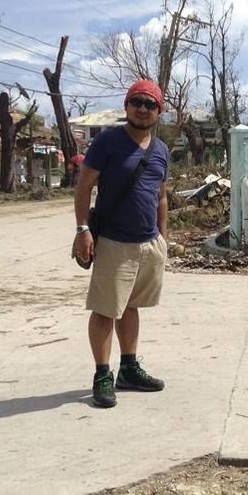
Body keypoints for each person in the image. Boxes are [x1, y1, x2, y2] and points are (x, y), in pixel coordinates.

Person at [73, 80, 170, 408]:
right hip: (114, 242)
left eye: (150, 104)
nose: (143, 109)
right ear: (127, 106)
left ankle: (128, 368)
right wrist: (82, 229)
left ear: (160, 111)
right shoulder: (108, 142)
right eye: (137, 102)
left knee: (131, 305)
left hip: (148, 244)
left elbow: (161, 196)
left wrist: (163, 237)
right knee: (104, 309)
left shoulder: (160, 150)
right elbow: (84, 186)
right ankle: (103, 375)